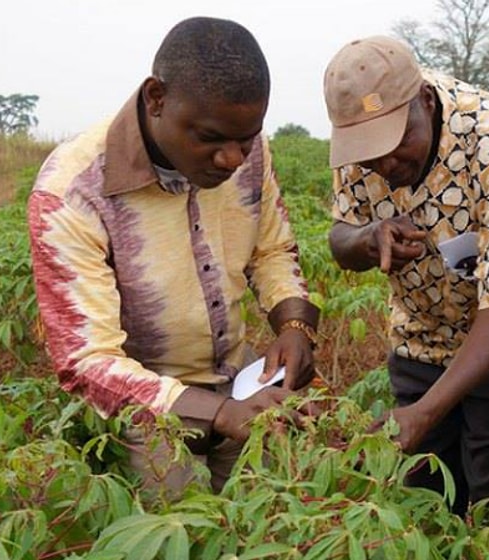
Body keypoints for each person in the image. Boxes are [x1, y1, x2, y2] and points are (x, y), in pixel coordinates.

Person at [27, 17, 321, 496]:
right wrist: (217, 413)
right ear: (156, 99)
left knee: (265, 525)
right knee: (181, 532)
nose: (231, 159)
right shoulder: (72, 191)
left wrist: (294, 325)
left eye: (245, 139)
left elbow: (273, 250)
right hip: (144, 406)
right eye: (210, 138)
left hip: (240, 377)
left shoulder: (250, 153)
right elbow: (88, 359)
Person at [322, 36, 489, 515]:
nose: (385, 165)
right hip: (420, 345)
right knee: (426, 514)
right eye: (370, 156)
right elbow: (340, 237)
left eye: (395, 146)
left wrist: (426, 413)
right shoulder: (361, 148)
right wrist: (368, 238)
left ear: (425, 102)